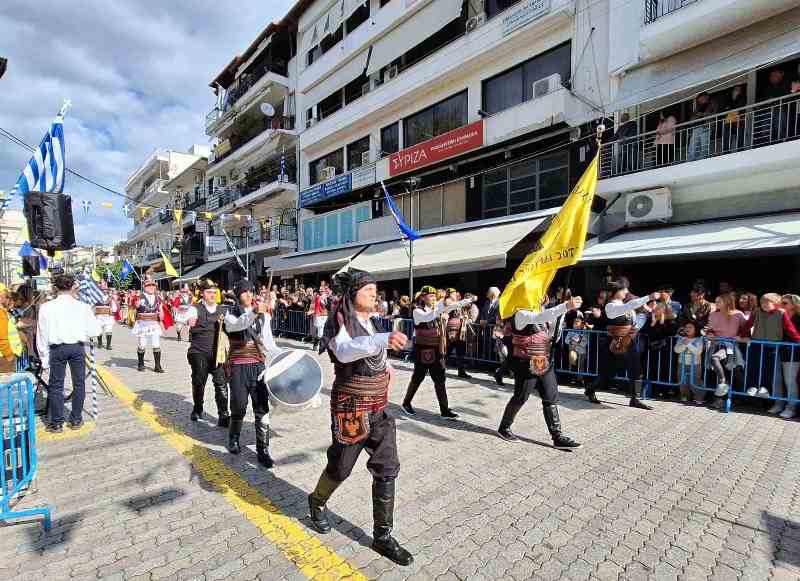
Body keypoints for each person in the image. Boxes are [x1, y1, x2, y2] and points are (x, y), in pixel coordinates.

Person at [308, 268, 413, 566]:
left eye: (375, 290)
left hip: (379, 410)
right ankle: (316, 501)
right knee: (340, 469)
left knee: (387, 468)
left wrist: (387, 370)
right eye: (368, 290)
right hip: (351, 409)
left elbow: (375, 361)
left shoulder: (371, 324)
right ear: (353, 294)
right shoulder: (341, 323)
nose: (374, 294)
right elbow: (344, 351)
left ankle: (383, 536)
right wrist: (382, 339)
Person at [497, 294, 582, 448]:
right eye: (537, 295)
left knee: (550, 396)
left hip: (541, 360)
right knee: (521, 397)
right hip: (525, 362)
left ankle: (557, 436)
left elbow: (550, 337)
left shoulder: (540, 313)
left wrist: (560, 315)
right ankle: (504, 427)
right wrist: (564, 307)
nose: (542, 298)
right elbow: (540, 316)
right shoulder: (521, 314)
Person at [36, 275, 101, 432]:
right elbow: (95, 331)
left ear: (56, 288)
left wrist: (43, 357)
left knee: (56, 385)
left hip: (56, 349)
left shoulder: (46, 307)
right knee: (79, 384)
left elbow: (41, 334)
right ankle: (76, 419)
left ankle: (57, 422)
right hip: (76, 348)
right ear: (72, 287)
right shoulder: (82, 306)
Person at [224, 279, 276, 468]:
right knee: (238, 406)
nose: (248, 295)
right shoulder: (230, 314)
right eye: (244, 292)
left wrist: (284, 358)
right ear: (238, 296)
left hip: (258, 366)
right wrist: (255, 312)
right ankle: (233, 438)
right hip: (238, 366)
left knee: (262, 408)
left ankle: (263, 449)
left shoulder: (265, 316)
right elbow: (237, 325)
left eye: (250, 292)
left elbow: (269, 344)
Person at [585, 278, 660, 410]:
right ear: (616, 292)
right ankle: (591, 389)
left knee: (636, 369)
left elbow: (634, 319)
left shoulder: (626, 305)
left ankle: (635, 399)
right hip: (613, 343)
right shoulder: (610, 306)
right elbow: (629, 306)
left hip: (628, 341)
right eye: (623, 289)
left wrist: (650, 312)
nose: (626, 292)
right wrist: (649, 297)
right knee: (608, 374)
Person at [401, 286, 472, 418]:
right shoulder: (418, 311)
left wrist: (466, 301)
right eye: (430, 296)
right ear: (423, 297)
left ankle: (444, 410)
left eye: (434, 296)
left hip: (436, 349)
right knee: (418, 377)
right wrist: (442, 304)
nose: (433, 298)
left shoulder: (437, 309)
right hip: (422, 350)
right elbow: (428, 316)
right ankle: (406, 403)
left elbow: (452, 306)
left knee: (440, 379)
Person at [186, 279, 230, 427]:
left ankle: (224, 415)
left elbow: (236, 324)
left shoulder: (223, 310)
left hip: (218, 353)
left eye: (214, 292)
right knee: (199, 381)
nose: (212, 295)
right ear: (202, 294)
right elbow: (183, 318)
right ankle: (198, 408)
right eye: (208, 292)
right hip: (199, 351)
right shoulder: (195, 308)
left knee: (221, 384)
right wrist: (188, 321)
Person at [740, 293, 784, 398]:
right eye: (762, 302)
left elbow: (789, 328)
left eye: (767, 302)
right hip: (756, 343)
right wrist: (743, 335)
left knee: (768, 368)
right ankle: (752, 386)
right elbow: (748, 325)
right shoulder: (757, 311)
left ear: (775, 303)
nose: (763, 304)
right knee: (753, 366)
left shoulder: (781, 313)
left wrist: (797, 339)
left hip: (772, 346)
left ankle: (765, 388)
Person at [705, 293, 746, 405]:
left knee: (731, 371)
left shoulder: (738, 314)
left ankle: (733, 395)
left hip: (731, 346)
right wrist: (710, 334)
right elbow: (709, 329)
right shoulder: (713, 314)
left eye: (718, 301)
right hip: (716, 345)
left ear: (727, 302)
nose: (716, 303)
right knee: (717, 369)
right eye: (716, 301)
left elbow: (745, 330)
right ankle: (719, 398)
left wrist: (740, 337)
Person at [774, 294, 800, 418]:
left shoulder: (798, 318)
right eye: (781, 303)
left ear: (794, 305)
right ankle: (778, 404)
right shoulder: (778, 316)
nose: (781, 305)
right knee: (777, 380)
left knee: (790, 382)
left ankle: (791, 407)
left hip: (792, 353)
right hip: (777, 351)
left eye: (785, 303)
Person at [133, 277, 166, 373]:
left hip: (154, 324)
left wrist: (161, 314)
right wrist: (136, 306)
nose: (151, 287)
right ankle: (141, 363)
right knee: (142, 345)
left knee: (156, 344)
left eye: (153, 285)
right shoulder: (139, 297)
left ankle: (157, 366)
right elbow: (133, 306)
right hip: (143, 324)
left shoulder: (158, 298)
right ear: (144, 286)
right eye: (148, 285)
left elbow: (162, 315)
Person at [674, 321, 704, 404]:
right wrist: (684, 344)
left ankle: (699, 397)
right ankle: (685, 396)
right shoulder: (681, 338)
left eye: (690, 327)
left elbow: (698, 352)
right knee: (682, 380)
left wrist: (688, 344)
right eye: (686, 327)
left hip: (695, 364)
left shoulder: (699, 340)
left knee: (695, 380)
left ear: (695, 329)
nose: (688, 329)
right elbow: (676, 350)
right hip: (682, 363)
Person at [445, 289, 473, 379]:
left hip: (460, 330)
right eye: (453, 293)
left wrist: (464, 317)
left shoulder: (458, 303)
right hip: (451, 330)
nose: (456, 295)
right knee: (448, 350)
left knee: (460, 351)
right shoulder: (447, 302)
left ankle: (461, 371)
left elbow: (465, 308)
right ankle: (438, 368)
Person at [687, 93, 717, 161]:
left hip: (705, 127)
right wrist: (696, 116)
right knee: (692, 147)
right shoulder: (697, 108)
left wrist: (703, 114)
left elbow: (714, 114)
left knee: (704, 146)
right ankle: (689, 162)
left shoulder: (711, 105)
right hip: (696, 128)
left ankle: (703, 161)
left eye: (702, 98)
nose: (700, 100)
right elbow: (691, 120)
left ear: (706, 97)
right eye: (699, 99)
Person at [92, 281, 117, 350]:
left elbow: (115, 308)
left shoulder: (111, 298)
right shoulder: (96, 298)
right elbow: (92, 307)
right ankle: (100, 343)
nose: (104, 291)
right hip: (99, 317)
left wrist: (113, 309)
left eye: (105, 289)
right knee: (99, 331)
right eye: (102, 289)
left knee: (109, 330)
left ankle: (108, 345)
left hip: (108, 316)